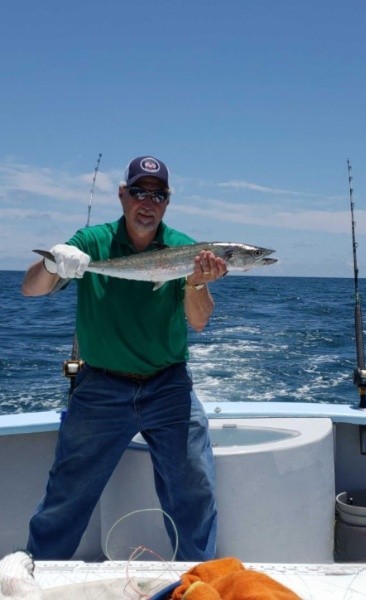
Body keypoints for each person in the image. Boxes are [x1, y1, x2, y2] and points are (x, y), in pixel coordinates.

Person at [22, 155, 227, 561]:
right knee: (67, 494)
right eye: (138, 191)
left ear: (167, 202)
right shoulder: (91, 241)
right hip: (100, 388)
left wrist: (197, 283)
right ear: (122, 195)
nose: (147, 202)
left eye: (158, 194)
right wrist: (52, 262)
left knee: (194, 487)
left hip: (168, 387)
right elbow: (31, 288)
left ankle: (199, 576)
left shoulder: (187, 249)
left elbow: (199, 322)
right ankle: (38, 573)